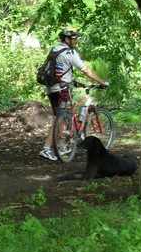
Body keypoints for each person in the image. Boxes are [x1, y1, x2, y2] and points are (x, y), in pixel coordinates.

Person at [39, 28, 108, 161]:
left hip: (51, 88)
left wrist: (72, 81)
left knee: (63, 115)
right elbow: (85, 70)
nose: (76, 41)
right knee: (59, 117)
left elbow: (60, 68)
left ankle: (62, 145)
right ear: (67, 39)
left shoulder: (55, 49)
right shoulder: (70, 52)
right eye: (74, 38)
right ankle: (46, 148)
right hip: (60, 89)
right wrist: (102, 82)